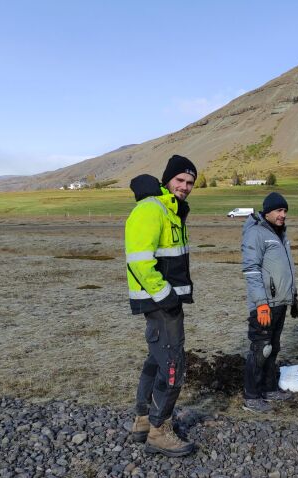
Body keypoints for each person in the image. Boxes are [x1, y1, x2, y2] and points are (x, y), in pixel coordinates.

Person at [124, 155, 198, 456]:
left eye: (190, 182)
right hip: (160, 301)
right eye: (179, 180)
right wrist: (165, 294)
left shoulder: (171, 210)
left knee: (156, 359)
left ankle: (144, 420)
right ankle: (160, 429)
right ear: (167, 180)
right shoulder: (152, 209)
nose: (185, 187)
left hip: (164, 299)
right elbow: (140, 260)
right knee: (172, 364)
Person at [241, 192, 298, 413]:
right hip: (264, 304)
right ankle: (251, 396)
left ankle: (268, 388)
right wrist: (261, 304)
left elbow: (285, 270)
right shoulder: (256, 233)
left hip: (280, 302)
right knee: (261, 349)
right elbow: (251, 270)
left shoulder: (279, 234)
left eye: (285, 211)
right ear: (267, 211)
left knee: (273, 347)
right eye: (279, 211)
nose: (283, 215)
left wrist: (293, 297)